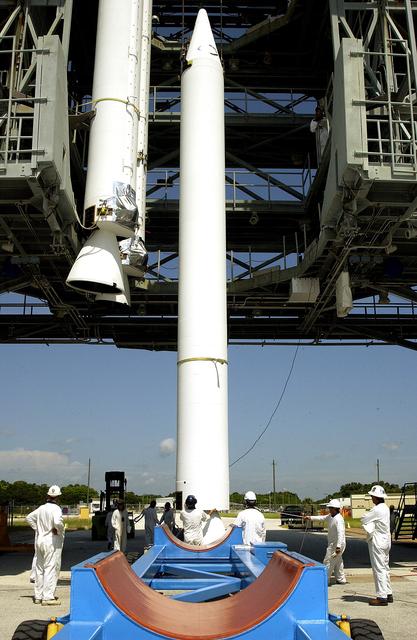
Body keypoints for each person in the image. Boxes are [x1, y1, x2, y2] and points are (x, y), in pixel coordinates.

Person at [26, 485, 65, 606]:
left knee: (39, 568)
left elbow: (29, 518)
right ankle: (47, 597)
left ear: (48, 496)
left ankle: (38, 595)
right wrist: (57, 530)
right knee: (50, 567)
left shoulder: (41, 508)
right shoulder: (56, 509)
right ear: (58, 497)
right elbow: (58, 522)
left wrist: (38, 529)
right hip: (50, 541)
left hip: (40, 540)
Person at [361, 485, 393, 606]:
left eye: (372, 496)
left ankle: (381, 597)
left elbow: (364, 519)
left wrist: (369, 519)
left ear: (376, 497)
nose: (371, 498)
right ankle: (388, 593)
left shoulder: (377, 509)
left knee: (378, 568)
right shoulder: (385, 508)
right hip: (386, 541)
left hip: (378, 541)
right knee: (385, 568)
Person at [305, 499, 346, 585]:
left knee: (328, 561)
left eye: (330, 508)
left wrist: (338, 547)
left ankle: (324, 580)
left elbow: (341, 533)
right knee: (338, 561)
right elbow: (322, 518)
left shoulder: (339, 519)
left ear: (335, 508)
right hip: (335, 544)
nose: (329, 509)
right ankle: (341, 579)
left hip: (336, 545)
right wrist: (310, 517)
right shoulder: (331, 516)